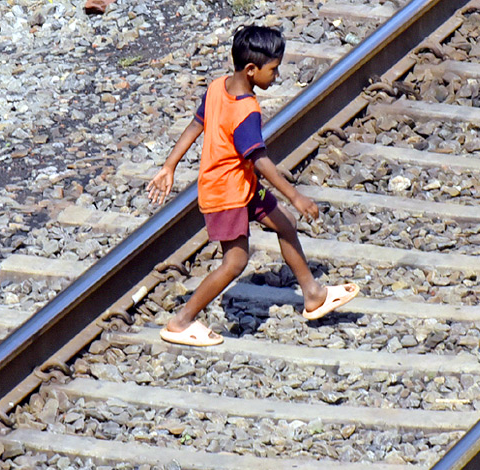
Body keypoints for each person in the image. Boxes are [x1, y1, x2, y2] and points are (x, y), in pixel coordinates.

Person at [147, 24, 358, 346]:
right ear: (251, 69)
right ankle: (181, 321)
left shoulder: (218, 86)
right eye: (273, 70)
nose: (276, 76)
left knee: (285, 223)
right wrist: (296, 195)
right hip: (226, 193)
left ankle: (313, 295)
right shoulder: (247, 110)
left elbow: (196, 124)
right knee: (235, 262)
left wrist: (169, 166)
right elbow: (260, 159)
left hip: (242, 185)